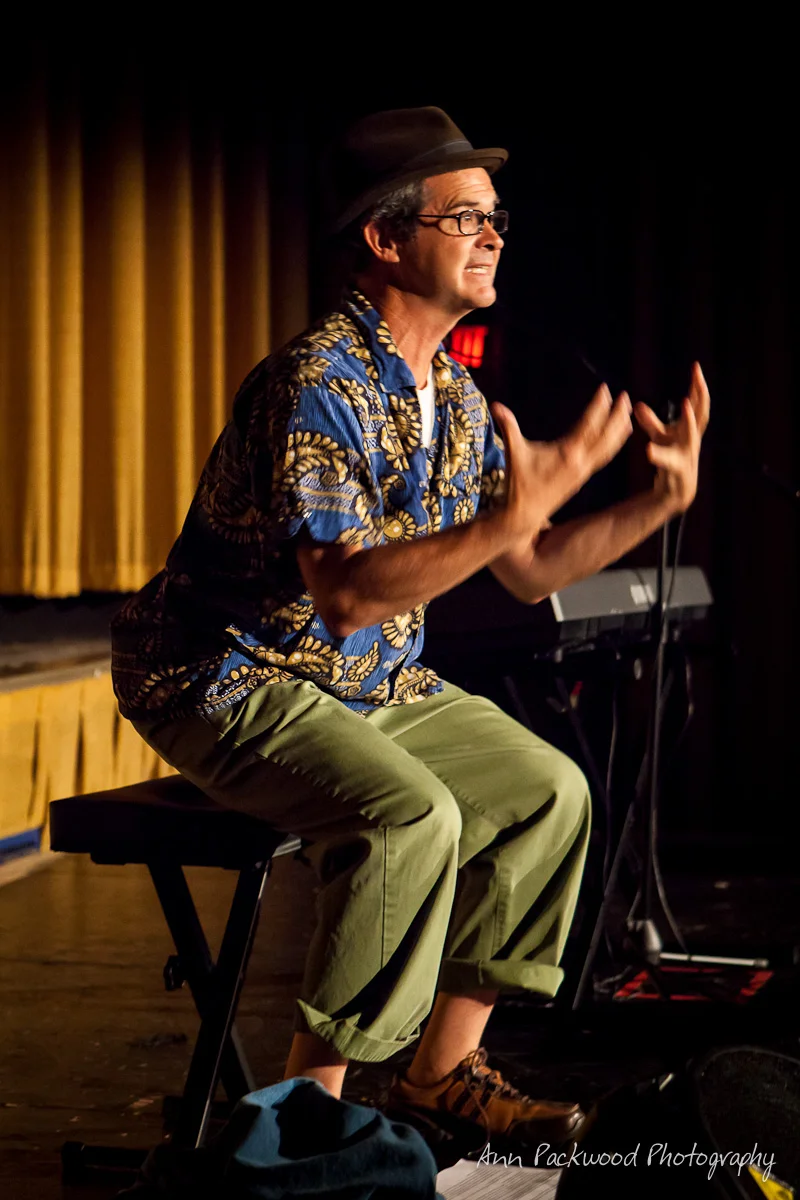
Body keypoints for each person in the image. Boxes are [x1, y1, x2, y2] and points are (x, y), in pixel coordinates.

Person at [111, 106, 710, 1151]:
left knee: (547, 792)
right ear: (386, 239)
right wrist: (504, 522)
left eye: (496, 218)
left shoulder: (458, 399)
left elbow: (526, 567)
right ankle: (307, 1122)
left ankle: (440, 1075)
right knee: (409, 816)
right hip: (229, 676)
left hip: (367, 681)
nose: (493, 236)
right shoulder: (317, 383)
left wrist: (654, 504)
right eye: (465, 217)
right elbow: (344, 596)